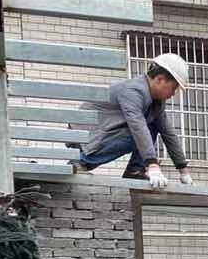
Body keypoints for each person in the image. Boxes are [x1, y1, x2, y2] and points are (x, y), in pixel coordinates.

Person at [77, 52, 194, 191]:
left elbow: (167, 132)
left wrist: (183, 170)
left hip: (104, 132)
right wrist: (152, 165)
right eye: (173, 88)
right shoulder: (133, 90)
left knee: (153, 125)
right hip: (85, 133)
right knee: (139, 132)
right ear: (160, 79)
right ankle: (81, 163)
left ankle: (134, 171)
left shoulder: (157, 102)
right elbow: (137, 126)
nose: (173, 94)